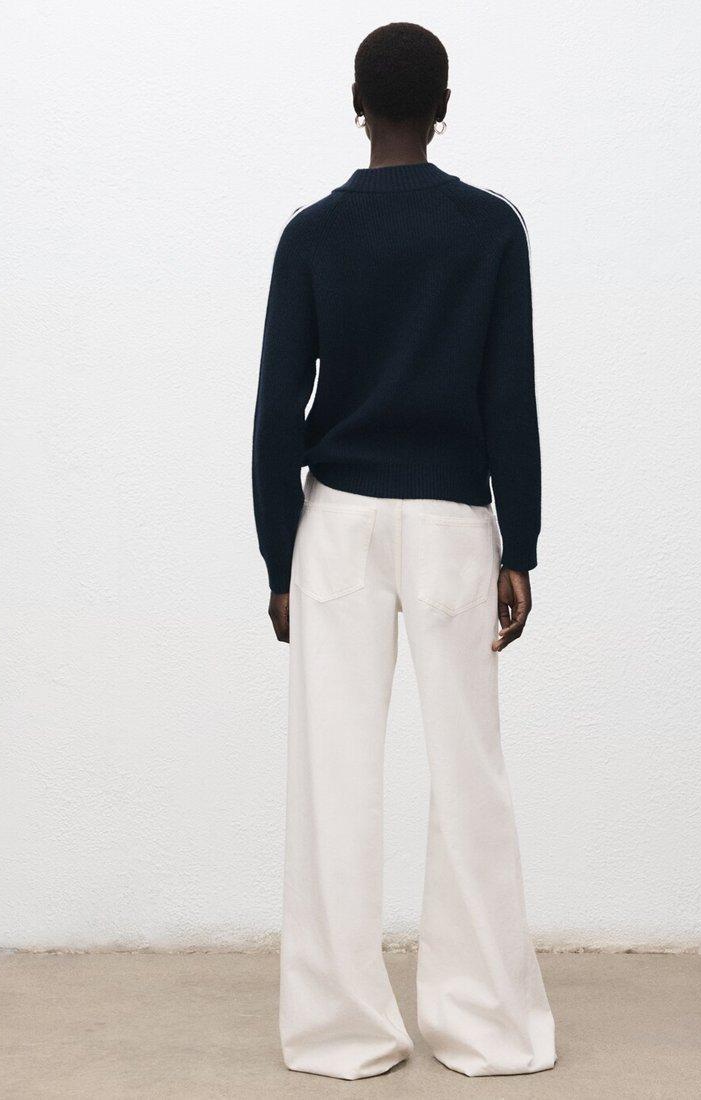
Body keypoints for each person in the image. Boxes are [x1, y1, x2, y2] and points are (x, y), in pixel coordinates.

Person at [252, 21, 556, 1081]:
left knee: (331, 777)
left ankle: (340, 1029)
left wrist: (276, 560)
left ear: (355, 103)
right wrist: (522, 540)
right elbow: (509, 395)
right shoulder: (490, 230)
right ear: (444, 107)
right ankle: (487, 1026)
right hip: (452, 529)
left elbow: (275, 410)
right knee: (470, 775)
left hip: (335, 522)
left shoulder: (311, 234)